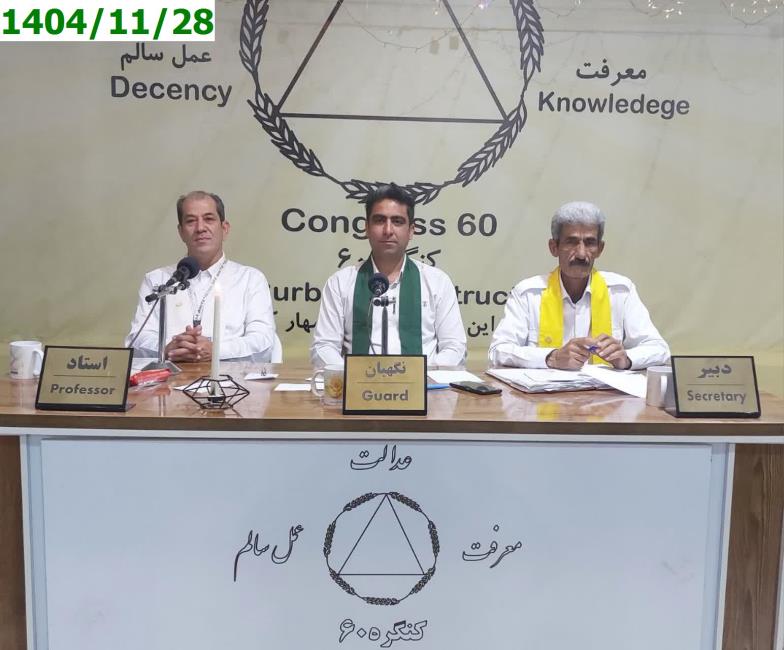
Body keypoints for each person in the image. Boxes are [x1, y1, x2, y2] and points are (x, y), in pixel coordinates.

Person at [489, 201, 669, 370]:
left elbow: (659, 349)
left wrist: (626, 358)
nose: (582, 254)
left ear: (600, 249)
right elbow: (498, 351)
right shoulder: (528, 294)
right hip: (545, 393)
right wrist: (552, 357)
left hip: (606, 392)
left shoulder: (621, 291)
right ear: (554, 247)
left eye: (590, 243)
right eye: (572, 242)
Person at [311, 184, 466, 367]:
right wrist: (351, 377)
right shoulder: (340, 283)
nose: (388, 230)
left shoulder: (437, 282)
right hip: (357, 383)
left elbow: (454, 347)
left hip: (424, 383)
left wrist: (423, 377)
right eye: (379, 220)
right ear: (366, 228)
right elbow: (324, 346)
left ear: (411, 230)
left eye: (397, 221)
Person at [125, 191, 276, 362]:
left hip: (231, 377)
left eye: (209, 219)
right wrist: (168, 348)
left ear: (224, 228)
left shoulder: (250, 279)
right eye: (191, 221)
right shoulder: (157, 280)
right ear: (181, 232)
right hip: (170, 376)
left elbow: (263, 341)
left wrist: (216, 350)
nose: (200, 228)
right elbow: (137, 338)